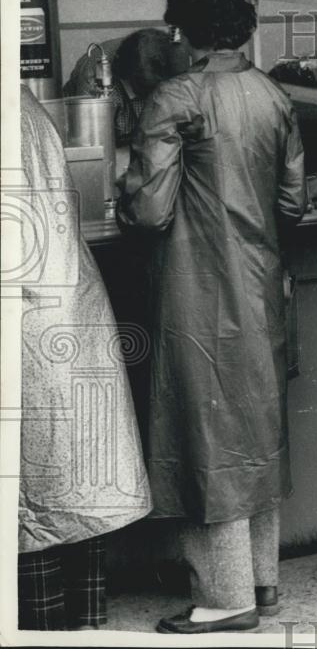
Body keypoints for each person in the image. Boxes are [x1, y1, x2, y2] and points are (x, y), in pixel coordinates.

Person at [116, 0, 307, 634]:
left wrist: (125, 184)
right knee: (253, 428)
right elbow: (293, 202)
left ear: (185, 29)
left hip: (197, 287)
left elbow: (148, 210)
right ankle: (263, 581)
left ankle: (226, 600)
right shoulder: (273, 94)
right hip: (260, 286)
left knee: (207, 434)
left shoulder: (176, 98)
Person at [18, 86, 152, 630]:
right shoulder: (28, 108)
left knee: (33, 493)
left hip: (26, 315)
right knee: (76, 486)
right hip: (71, 302)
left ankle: (45, 629)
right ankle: (89, 622)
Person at [63, 28, 189, 145]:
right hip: (94, 134)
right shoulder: (94, 76)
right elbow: (91, 144)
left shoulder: (169, 59)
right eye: (143, 88)